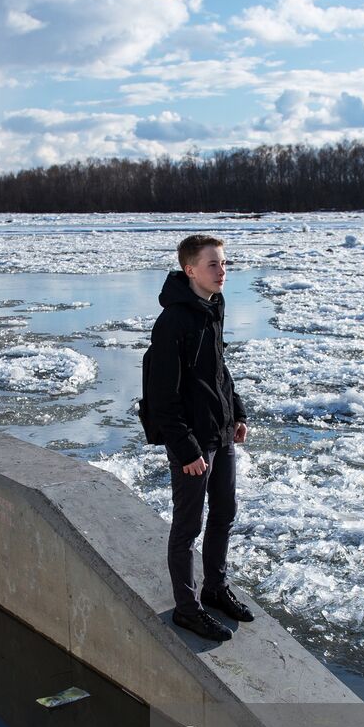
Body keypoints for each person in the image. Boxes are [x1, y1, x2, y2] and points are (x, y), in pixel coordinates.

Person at [144, 235, 253, 642]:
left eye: (224, 263)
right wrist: (186, 449)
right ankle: (187, 609)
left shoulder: (213, 307)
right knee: (188, 526)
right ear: (191, 270)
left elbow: (218, 369)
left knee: (225, 511)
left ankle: (214, 588)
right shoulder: (173, 321)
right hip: (192, 441)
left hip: (220, 431)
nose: (222, 271)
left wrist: (236, 412)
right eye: (213, 264)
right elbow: (161, 396)